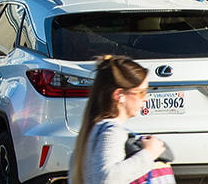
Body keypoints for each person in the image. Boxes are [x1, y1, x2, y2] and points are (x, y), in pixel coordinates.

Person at [70, 55, 173, 184]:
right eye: (141, 92)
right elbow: (107, 179)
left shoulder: (89, 132)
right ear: (119, 95)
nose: (146, 98)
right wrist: (149, 153)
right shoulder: (112, 131)